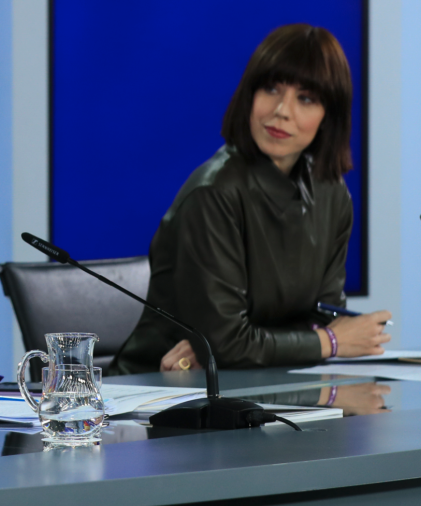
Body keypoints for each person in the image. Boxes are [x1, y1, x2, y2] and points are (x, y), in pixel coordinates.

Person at [109, 24, 391, 375]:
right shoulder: (213, 194)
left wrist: (239, 347)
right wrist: (330, 343)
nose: (282, 111)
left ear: (328, 118)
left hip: (262, 386)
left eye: (306, 98)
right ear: (249, 95)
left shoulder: (332, 194)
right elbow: (229, 344)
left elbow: (323, 315)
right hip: (160, 395)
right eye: (271, 89)